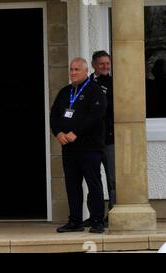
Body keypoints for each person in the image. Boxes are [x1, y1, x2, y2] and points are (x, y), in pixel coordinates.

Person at [50, 57, 107, 233]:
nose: (73, 73)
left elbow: (95, 116)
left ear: (85, 71)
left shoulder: (94, 91)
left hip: (89, 147)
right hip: (69, 148)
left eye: (77, 69)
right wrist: (58, 133)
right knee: (72, 184)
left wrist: (76, 132)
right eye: (71, 69)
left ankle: (97, 220)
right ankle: (75, 220)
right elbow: (54, 115)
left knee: (93, 183)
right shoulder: (65, 92)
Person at [82, 50, 115, 228]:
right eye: (101, 64)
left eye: (107, 63)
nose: (105, 67)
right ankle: (95, 216)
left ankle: (113, 215)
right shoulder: (86, 84)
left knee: (113, 179)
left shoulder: (115, 83)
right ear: (94, 65)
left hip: (110, 138)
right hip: (92, 140)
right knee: (93, 179)